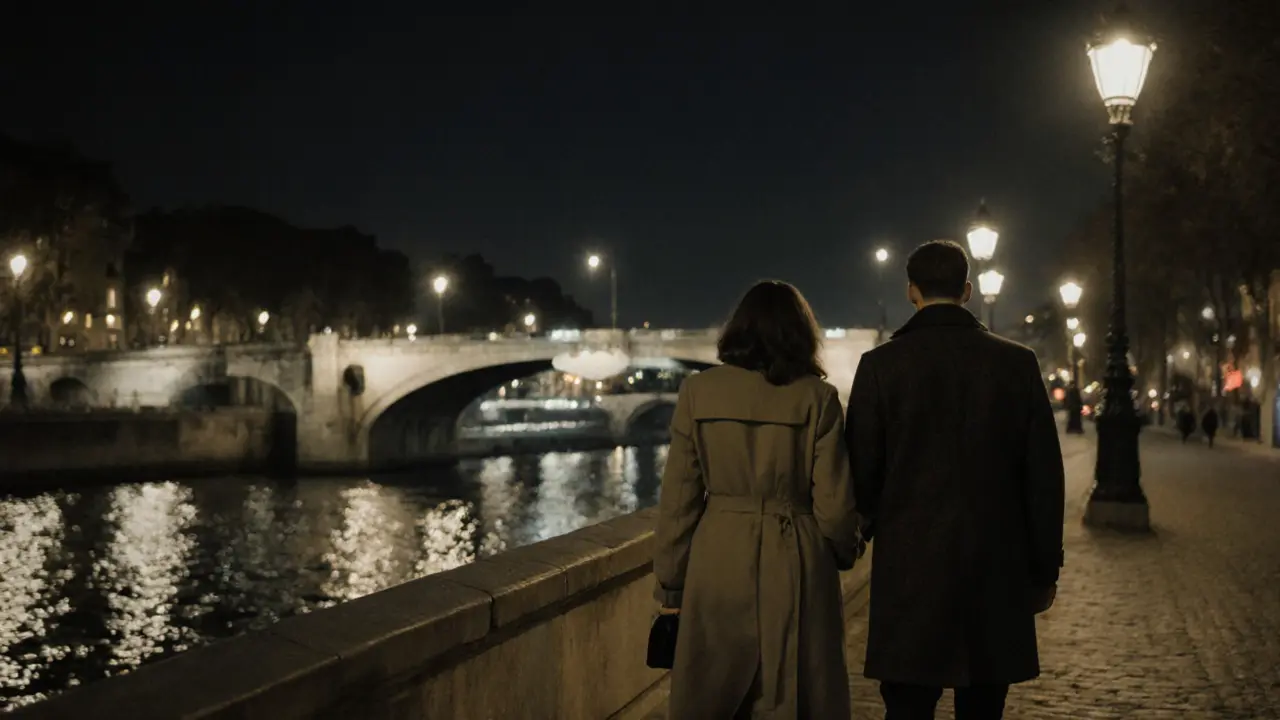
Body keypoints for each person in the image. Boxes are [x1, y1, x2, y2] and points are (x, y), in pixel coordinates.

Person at [845, 240, 1065, 720]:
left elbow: (862, 476)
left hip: (910, 573)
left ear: (911, 292)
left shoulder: (880, 367)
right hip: (996, 571)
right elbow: (1044, 479)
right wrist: (1045, 567)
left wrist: (858, 533)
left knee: (906, 706)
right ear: (967, 290)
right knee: (985, 705)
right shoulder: (1017, 364)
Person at [654, 280, 864, 719]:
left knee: (715, 695)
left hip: (719, 554)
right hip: (798, 557)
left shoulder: (698, 393)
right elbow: (835, 506)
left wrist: (672, 583)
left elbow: (679, 500)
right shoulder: (818, 399)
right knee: (795, 691)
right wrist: (844, 551)